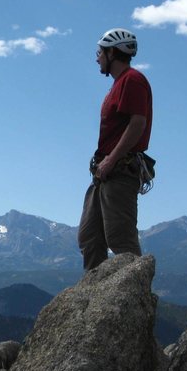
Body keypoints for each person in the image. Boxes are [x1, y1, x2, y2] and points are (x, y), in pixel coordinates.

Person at [78, 28, 153, 271]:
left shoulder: (132, 80)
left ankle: (134, 298)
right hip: (106, 171)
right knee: (90, 238)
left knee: (121, 239)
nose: (97, 57)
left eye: (100, 52)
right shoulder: (120, 84)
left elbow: (137, 123)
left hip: (119, 170)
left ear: (112, 52)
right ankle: (93, 296)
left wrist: (111, 160)